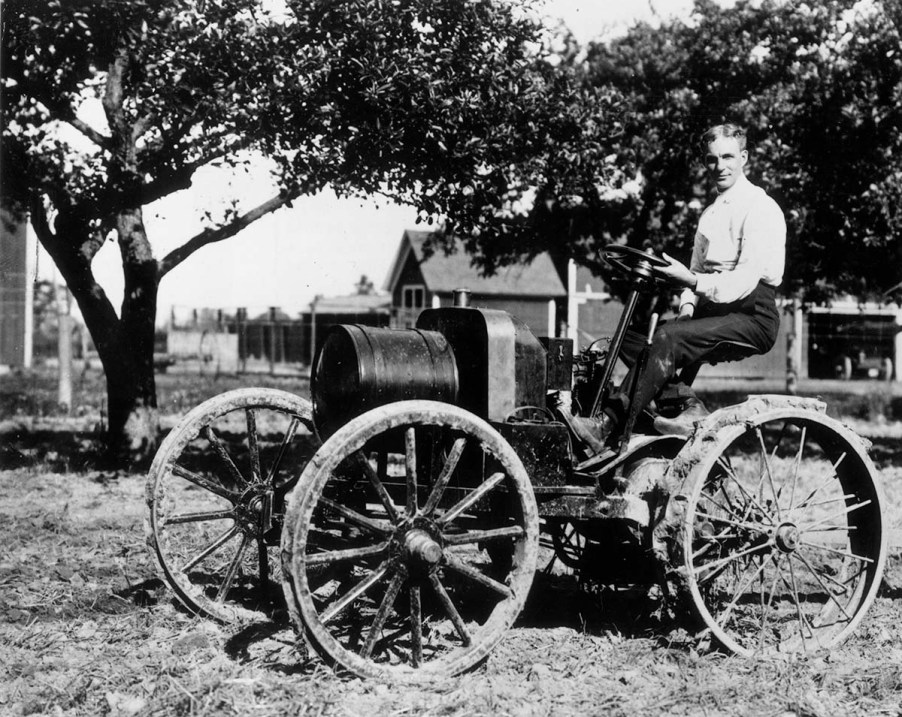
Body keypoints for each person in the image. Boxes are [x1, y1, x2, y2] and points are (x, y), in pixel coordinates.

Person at [568, 123, 786, 452]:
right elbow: (697, 269)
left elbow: (742, 282)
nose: (720, 166)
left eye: (728, 157)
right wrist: (687, 307)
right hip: (713, 308)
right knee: (629, 339)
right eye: (712, 160)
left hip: (752, 315)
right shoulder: (711, 214)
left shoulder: (761, 207)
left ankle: (606, 424)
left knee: (669, 337)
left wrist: (691, 282)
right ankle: (687, 404)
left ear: (744, 158)